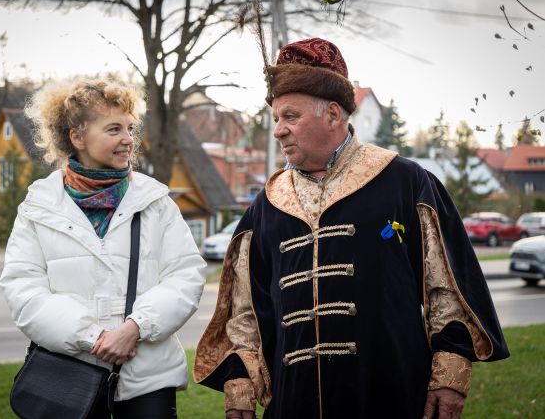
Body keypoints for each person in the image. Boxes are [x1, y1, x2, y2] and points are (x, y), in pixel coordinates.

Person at [193, 38, 509, 419]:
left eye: (290, 116)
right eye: (275, 119)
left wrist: (448, 375)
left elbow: (446, 289)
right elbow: (244, 311)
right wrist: (240, 383)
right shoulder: (266, 205)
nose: (279, 131)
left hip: (391, 393)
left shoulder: (404, 182)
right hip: (294, 404)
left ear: (332, 115)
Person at [0, 78, 206, 418]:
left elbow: (186, 275)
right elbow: (22, 290)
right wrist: (93, 336)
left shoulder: (156, 202)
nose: (128, 139)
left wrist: (135, 327)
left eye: (130, 128)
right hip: (70, 377)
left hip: (147, 378)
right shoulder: (38, 207)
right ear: (77, 137)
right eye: (113, 129)